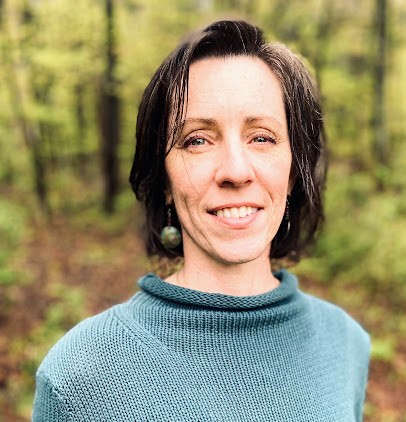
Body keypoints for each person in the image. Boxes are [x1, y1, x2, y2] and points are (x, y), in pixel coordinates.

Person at [32, 20, 370, 421]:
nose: (235, 170)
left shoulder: (346, 344)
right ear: (165, 183)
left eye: (261, 137)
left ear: (293, 170)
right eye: (197, 140)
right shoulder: (79, 377)